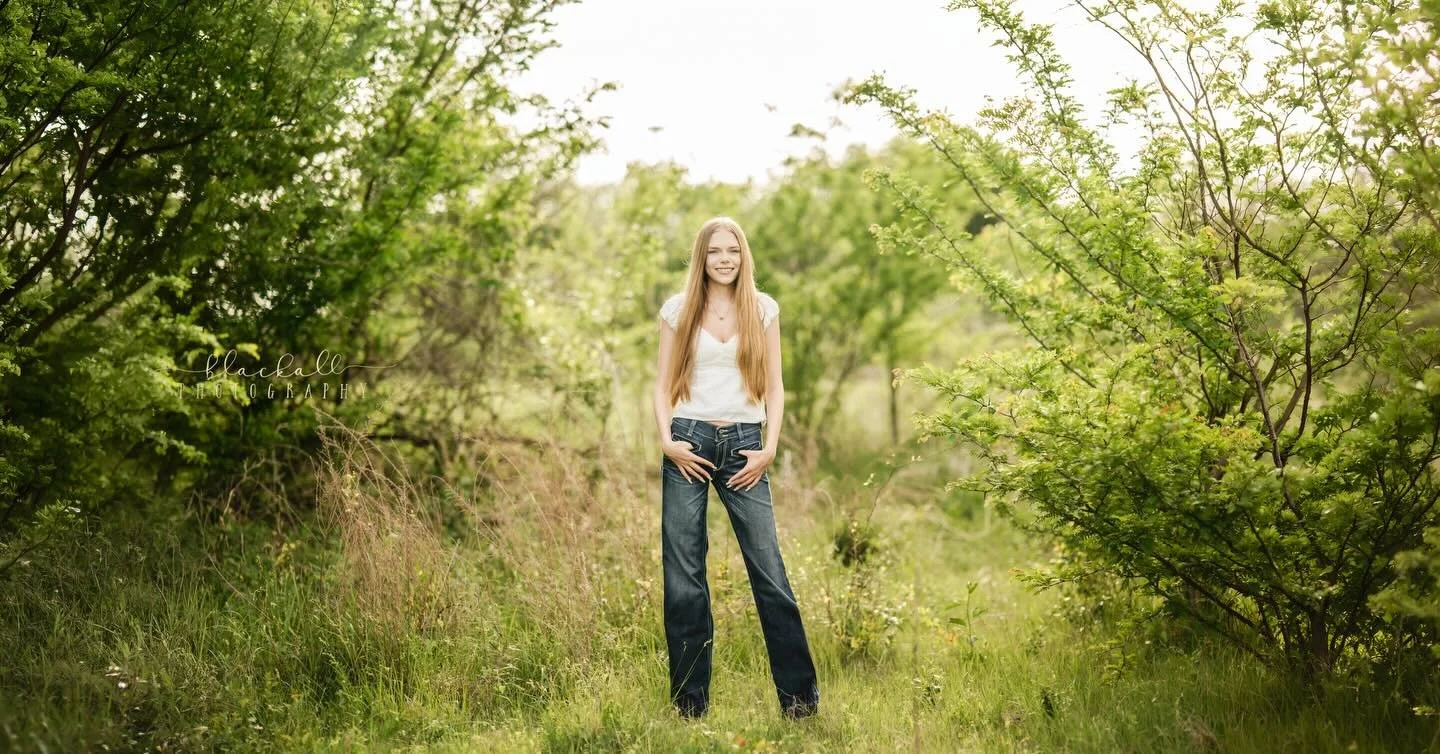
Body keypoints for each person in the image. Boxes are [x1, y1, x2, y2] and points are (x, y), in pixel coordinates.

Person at [652, 216, 820, 720]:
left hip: (748, 446)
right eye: (714, 251)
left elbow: (775, 385)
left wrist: (769, 447)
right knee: (684, 577)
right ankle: (690, 707)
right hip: (689, 443)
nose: (724, 259)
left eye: (733, 251)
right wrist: (668, 443)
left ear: (743, 256)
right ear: (701, 257)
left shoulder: (762, 308)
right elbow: (662, 385)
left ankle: (799, 705)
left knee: (770, 574)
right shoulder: (678, 309)